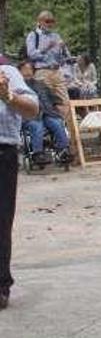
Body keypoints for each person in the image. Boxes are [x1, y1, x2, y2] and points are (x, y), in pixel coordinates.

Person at [0, 61, 38, 310]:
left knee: (1, 222)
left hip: (2, 152)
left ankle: (1, 285)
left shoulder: (8, 73)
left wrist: (8, 96)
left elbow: (33, 109)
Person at [17, 61, 71, 165]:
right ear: (19, 72)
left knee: (57, 123)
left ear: (33, 71)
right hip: (29, 115)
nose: (27, 72)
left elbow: (54, 97)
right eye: (24, 69)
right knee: (37, 126)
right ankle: (38, 154)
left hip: (47, 113)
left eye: (30, 69)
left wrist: (58, 104)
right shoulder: (18, 87)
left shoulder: (41, 84)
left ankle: (63, 150)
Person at [24, 11, 71, 113]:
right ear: (40, 22)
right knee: (46, 103)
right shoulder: (33, 35)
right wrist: (46, 48)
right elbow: (31, 54)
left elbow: (64, 58)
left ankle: (61, 125)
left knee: (65, 102)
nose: (50, 24)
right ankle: (49, 127)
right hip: (42, 71)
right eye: (47, 21)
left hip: (57, 71)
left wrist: (64, 49)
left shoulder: (56, 36)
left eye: (52, 21)